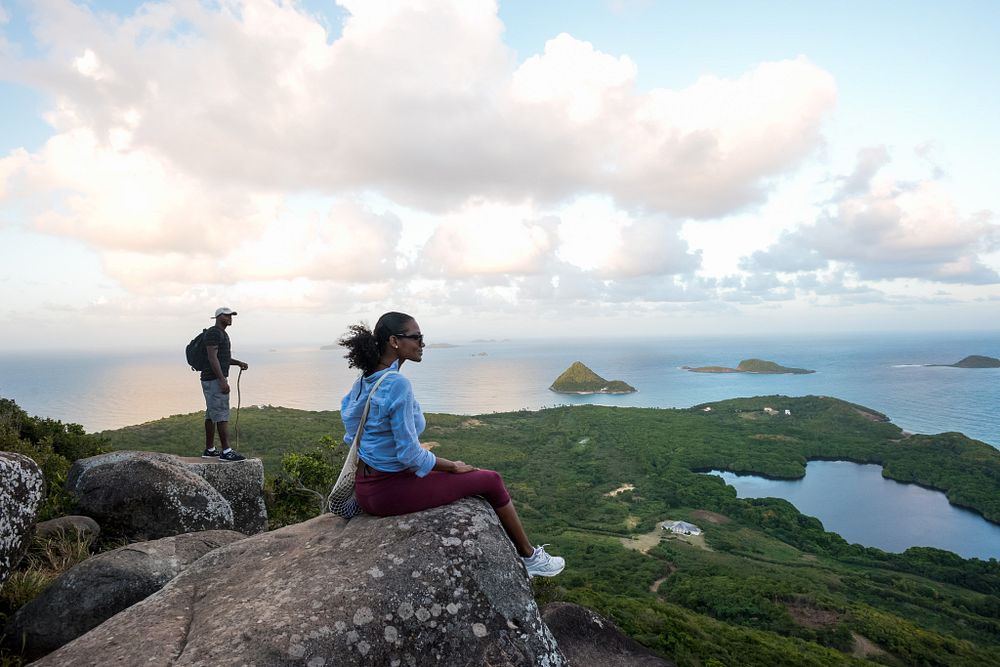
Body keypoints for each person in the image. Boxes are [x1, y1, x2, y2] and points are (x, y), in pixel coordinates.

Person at [338, 311, 565, 577]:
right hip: (389, 492)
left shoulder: (364, 380)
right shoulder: (397, 384)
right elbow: (410, 454)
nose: (422, 343)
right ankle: (530, 557)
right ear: (394, 341)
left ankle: (529, 556)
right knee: (491, 480)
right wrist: (452, 467)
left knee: (473, 477)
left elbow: (351, 432)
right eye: (416, 337)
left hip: (366, 491)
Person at [200, 307, 250, 462]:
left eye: (231, 316)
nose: (230, 318)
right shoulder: (214, 332)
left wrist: (238, 363)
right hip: (214, 380)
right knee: (221, 414)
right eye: (227, 315)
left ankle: (210, 449)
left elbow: (222, 358)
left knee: (211, 414)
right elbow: (212, 357)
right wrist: (222, 381)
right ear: (218, 316)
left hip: (212, 379)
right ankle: (226, 451)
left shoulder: (221, 333)